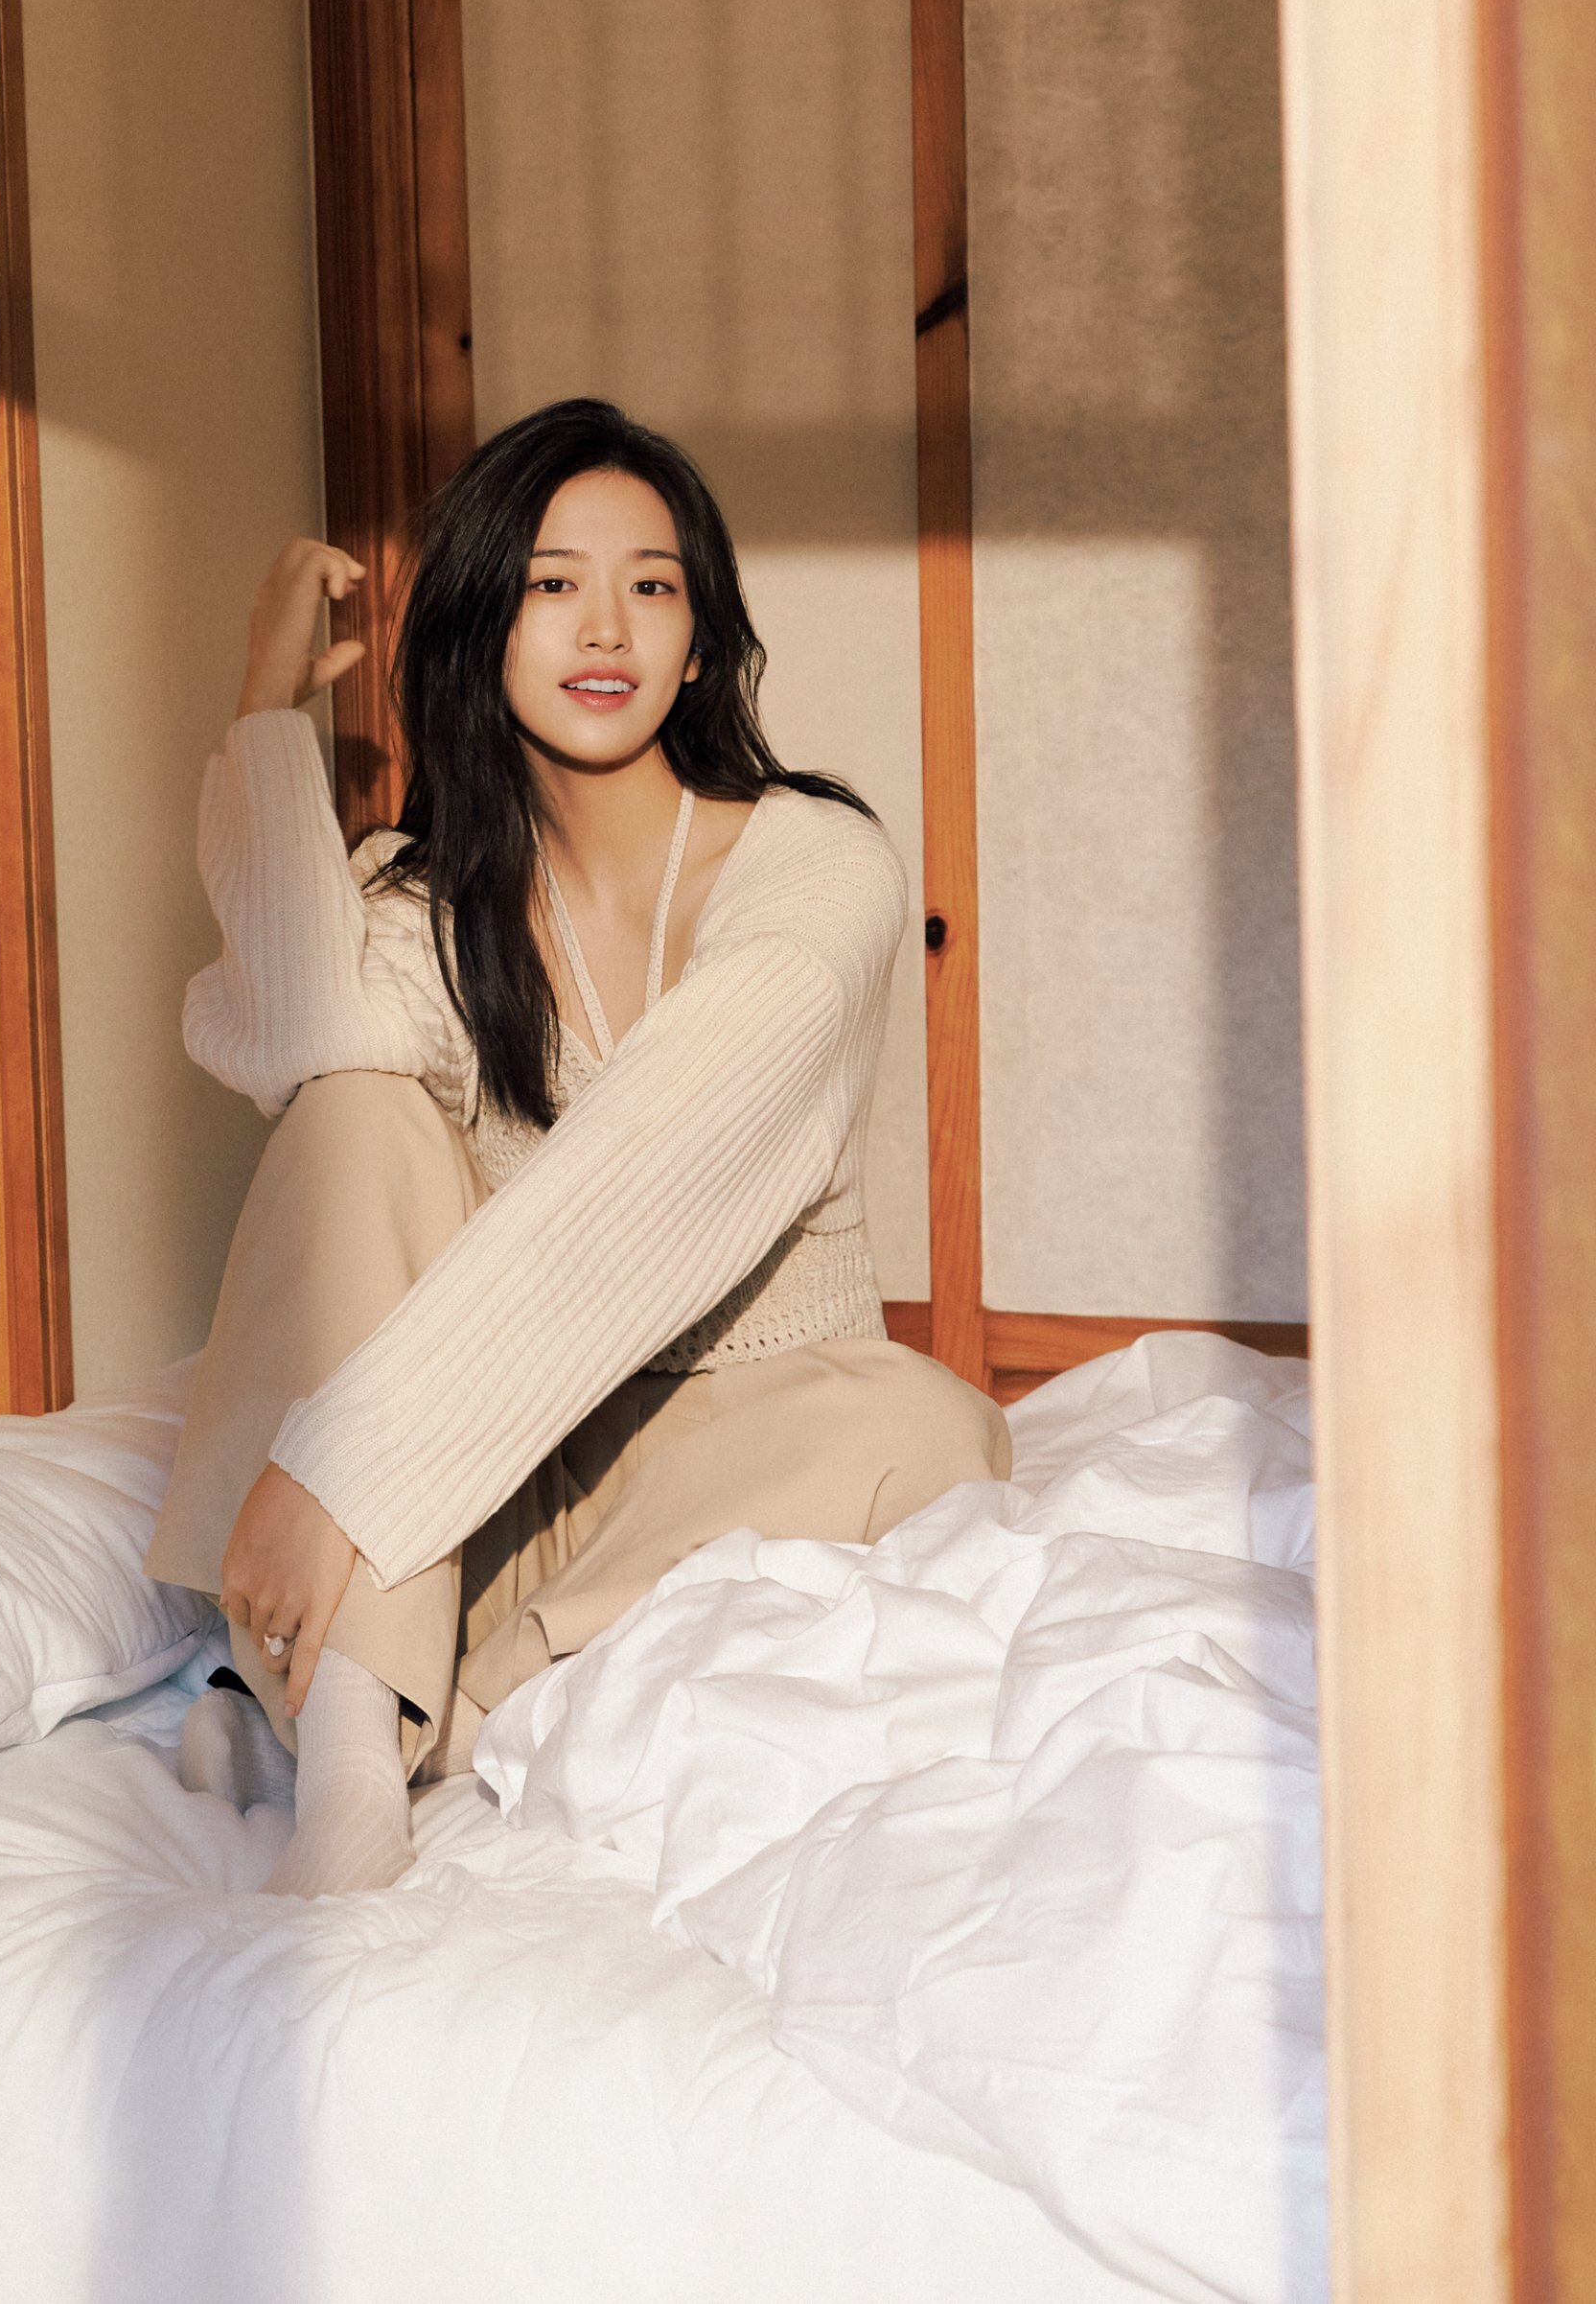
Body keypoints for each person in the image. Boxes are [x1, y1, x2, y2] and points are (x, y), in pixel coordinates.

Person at [145, 397, 1007, 1899]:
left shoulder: (819, 865)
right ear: (484, 619)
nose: (606, 624)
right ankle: (351, 1763)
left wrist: (339, 1468)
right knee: (353, 1103)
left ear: (701, 640)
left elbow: (660, 1166)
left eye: (651, 585)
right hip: (504, 1463)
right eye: (554, 582)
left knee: (925, 1430)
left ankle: (386, 1698)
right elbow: (292, 1044)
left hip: (740, 1434)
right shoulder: (424, 904)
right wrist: (265, 716)